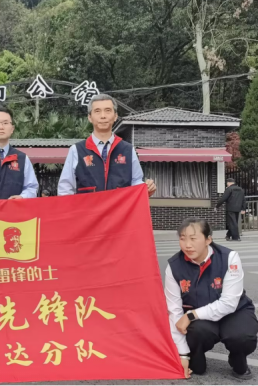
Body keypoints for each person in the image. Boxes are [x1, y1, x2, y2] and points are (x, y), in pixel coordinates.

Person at [165, 218, 257, 380]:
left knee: (241, 336)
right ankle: (196, 357)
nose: (187, 245)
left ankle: (238, 359)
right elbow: (174, 312)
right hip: (201, 320)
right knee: (196, 346)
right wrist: (182, 354)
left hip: (234, 312)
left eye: (193, 238)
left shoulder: (229, 258)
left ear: (208, 239)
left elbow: (229, 303)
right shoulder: (174, 267)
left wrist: (191, 315)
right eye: (182, 238)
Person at [58, 94, 156, 196]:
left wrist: (146, 188)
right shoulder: (77, 150)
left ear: (115, 116)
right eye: (97, 111)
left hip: (119, 206)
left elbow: (136, 182)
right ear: (90, 117)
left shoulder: (128, 150)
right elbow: (65, 188)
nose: (103, 116)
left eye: (108, 110)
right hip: (88, 206)